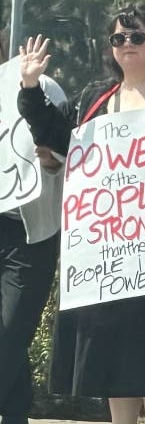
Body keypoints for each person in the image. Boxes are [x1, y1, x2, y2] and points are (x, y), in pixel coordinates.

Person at [17, 4, 145, 424]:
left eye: (136, 37)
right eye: (119, 38)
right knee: (115, 356)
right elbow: (55, 137)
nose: (127, 45)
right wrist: (30, 86)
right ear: (110, 48)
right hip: (109, 256)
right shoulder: (94, 101)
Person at [0, 40, 67, 424]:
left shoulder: (42, 84)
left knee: (10, 333)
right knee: (13, 341)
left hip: (31, 232)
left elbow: (66, 151)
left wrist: (53, 160)